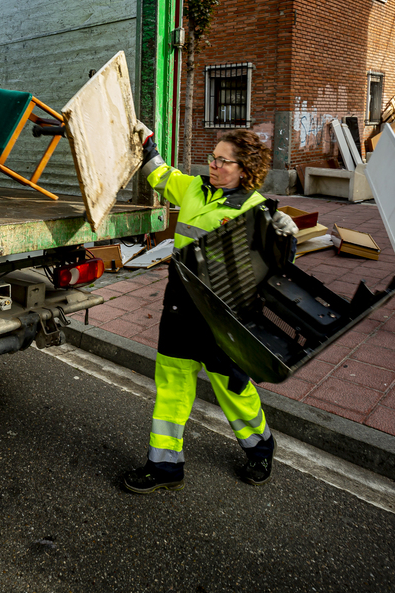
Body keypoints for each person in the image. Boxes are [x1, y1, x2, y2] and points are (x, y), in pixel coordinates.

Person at [121, 124, 299, 494]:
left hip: (224, 319)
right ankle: (165, 466)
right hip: (181, 309)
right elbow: (160, 173)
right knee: (171, 386)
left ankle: (261, 448)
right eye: (212, 158)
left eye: (223, 161)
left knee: (233, 390)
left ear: (244, 169)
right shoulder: (193, 188)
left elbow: (275, 262)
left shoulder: (255, 210)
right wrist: (147, 143)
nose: (214, 166)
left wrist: (286, 234)